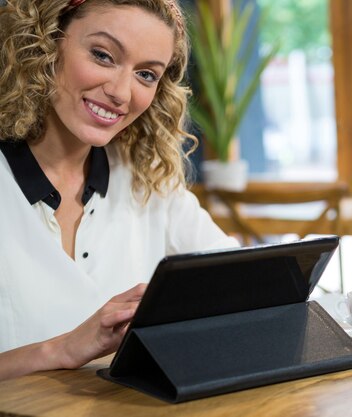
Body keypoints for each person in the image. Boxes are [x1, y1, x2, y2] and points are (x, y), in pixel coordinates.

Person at [0, 0, 239, 380]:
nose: (121, 93)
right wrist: (61, 349)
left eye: (146, 74)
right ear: (46, 42)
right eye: (103, 55)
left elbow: (241, 280)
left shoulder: (150, 180)